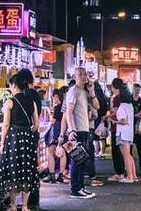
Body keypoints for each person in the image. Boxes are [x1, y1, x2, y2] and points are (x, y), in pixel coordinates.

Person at [0, 74, 40, 211]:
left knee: (13, 170)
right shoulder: (31, 102)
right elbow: (36, 124)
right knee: (27, 170)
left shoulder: (9, 102)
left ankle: (12, 206)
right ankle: (24, 207)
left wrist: (2, 143)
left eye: (10, 85)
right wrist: (27, 132)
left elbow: (5, 125)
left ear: (14, 85)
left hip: (14, 138)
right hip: (27, 139)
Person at [61, 67, 99, 199]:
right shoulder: (73, 91)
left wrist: (92, 91)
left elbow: (97, 106)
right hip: (76, 131)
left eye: (85, 74)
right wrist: (71, 130)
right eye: (80, 75)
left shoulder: (85, 91)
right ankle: (75, 189)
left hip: (85, 129)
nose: (83, 77)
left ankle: (81, 187)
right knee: (77, 160)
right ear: (74, 77)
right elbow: (68, 112)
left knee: (83, 160)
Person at [110, 78, 138, 183]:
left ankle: (129, 177)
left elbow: (123, 121)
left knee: (125, 155)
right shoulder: (130, 105)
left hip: (122, 133)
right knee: (129, 155)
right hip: (129, 133)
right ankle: (133, 175)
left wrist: (114, 122)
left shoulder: (122, 106)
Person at [42, 87, 67, 184]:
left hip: (56, 132)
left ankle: (52, 174)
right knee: (62, 153)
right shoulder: (67, 106)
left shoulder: (58, 107)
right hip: (65, 132)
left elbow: (53, 121)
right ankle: (60, 175)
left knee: (50, 151)